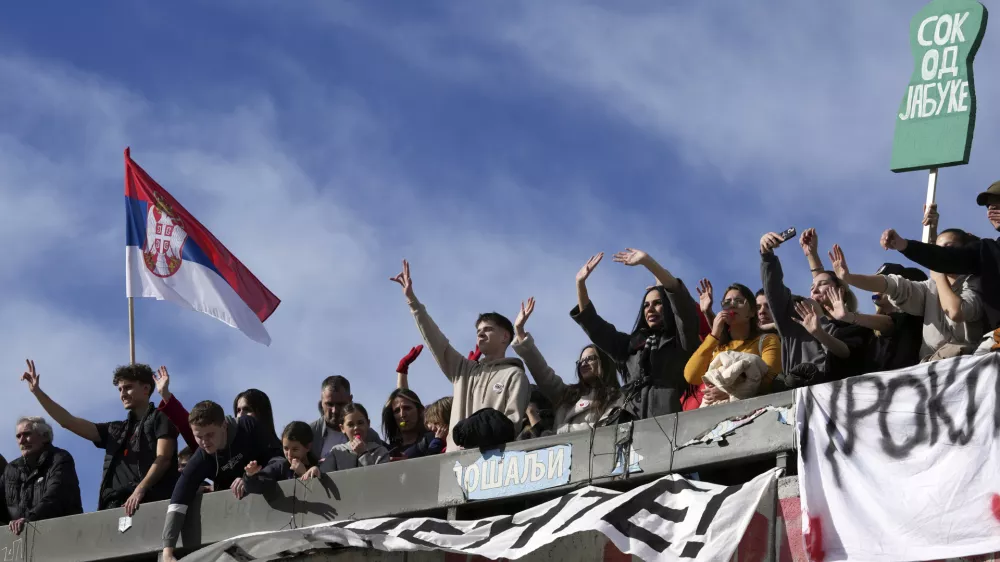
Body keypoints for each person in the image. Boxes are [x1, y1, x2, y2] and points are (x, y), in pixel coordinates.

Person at [390, 260, 530, 451]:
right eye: (478, 330)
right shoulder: (463, 370)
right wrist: (413, 302)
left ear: (505, 336)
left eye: (488, 329)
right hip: (454, 467)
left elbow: (512, 424)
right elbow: (437, 341)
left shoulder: (515, 375)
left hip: (493, 466)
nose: (480, 333)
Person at [20, 359, 177, 515]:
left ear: (145, 389)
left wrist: (140, 489)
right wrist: (37, 392)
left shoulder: (161, 418)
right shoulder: (115, 430)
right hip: (113, 507)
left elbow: (163, 458)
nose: (123, 394)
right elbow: (68, 421)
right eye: (120, 389)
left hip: (151, 504)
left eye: (128, 388)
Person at [571, 249, 700, 420]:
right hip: (628, 418)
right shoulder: (629, 346)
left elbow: (679, 297)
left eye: (657, 303)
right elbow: (594, 325)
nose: (650, 309)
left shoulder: (681, 339)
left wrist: (647, 261)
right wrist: (580, 284)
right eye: (646, 305)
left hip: (668, 422)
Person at [161, 401, 282, 562]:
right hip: (236, 523)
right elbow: (178, 500)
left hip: (274, 511)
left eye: (210, 435)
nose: (204, 442)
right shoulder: (202, 456)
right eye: (198, 436)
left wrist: (253, 476)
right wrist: (167, 552)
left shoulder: (247, 426)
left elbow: (280, 458)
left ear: (224, 425)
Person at [882, 185, 1000, 348]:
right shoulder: (986, 250)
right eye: (989, 206)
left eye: (998, 204)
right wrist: (904, 244)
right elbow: (946, 259)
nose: (992, 210)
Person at [831, 236, 983, 363]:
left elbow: (956, 311)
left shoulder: (978, 282)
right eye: (938, 248)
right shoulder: (928, 288)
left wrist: (939, 275)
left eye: (948, 247)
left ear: (965, 251)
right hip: (928, 372)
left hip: (966, 366)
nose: (941, 253)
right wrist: (848, 278)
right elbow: (892, 285)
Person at [759, 234, 872, 389]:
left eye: (822, 284)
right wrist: (767, 255)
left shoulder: (855, 324)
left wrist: (820, 325)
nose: (814, 289)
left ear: (841, 290)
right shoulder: (796, 318)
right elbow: (773, 291)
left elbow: (845, 354)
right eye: (811, 287)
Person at [511, 297, 621, 433]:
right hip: (561, 452)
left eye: (590, 358)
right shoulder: (566, 395)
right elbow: (543, 373)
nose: (584, 363)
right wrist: (520, 332)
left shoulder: (615, 398)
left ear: (603, 363)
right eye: (581, 360)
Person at [683, 283, 782, 395]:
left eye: (739, 301)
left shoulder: (767, 340)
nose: (732, 305)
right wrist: (714, 334)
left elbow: (770, 380)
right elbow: (691, 376)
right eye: (727, 302)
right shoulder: (718, 346)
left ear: (752, 312)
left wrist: (729, 392)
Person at [1, 417, 83, 535]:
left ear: (44, 436)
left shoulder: (60, 459)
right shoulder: (11, 469)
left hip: (61, 536)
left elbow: (56, 495)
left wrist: (30, 518)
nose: (22, 440)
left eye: (27, 434)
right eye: (18, 436)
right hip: (19, 543)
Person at [309, 376, 382, 461]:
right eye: (329, 404)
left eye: (340, 404)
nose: (334, 411)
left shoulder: (370, 436)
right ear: (321, 402)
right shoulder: (309, 434)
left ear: (350, 400)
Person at [244, 422, 320, 494]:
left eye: (295, 449)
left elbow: (319, 495)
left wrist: (304, 473)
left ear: (308, 447)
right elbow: (258, 486)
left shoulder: (318, 466)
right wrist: (250, 476)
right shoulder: (280, 467)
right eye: (286, 449)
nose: (289, 455)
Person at [318, 404, 389, 472]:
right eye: (350, 424)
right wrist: (316, 470)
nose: (356, 427)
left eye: (360, 423)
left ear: (368, 424)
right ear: (342, 428)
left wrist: (363, 454)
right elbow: (324, 474)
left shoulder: (380, 452)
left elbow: (379, 479)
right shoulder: (336, 452)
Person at [381, 389, 445, 459]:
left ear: (420, 411)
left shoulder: (436, 437)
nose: (402, 415)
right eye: (397, 411)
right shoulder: (389, 451)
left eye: (407, 408)